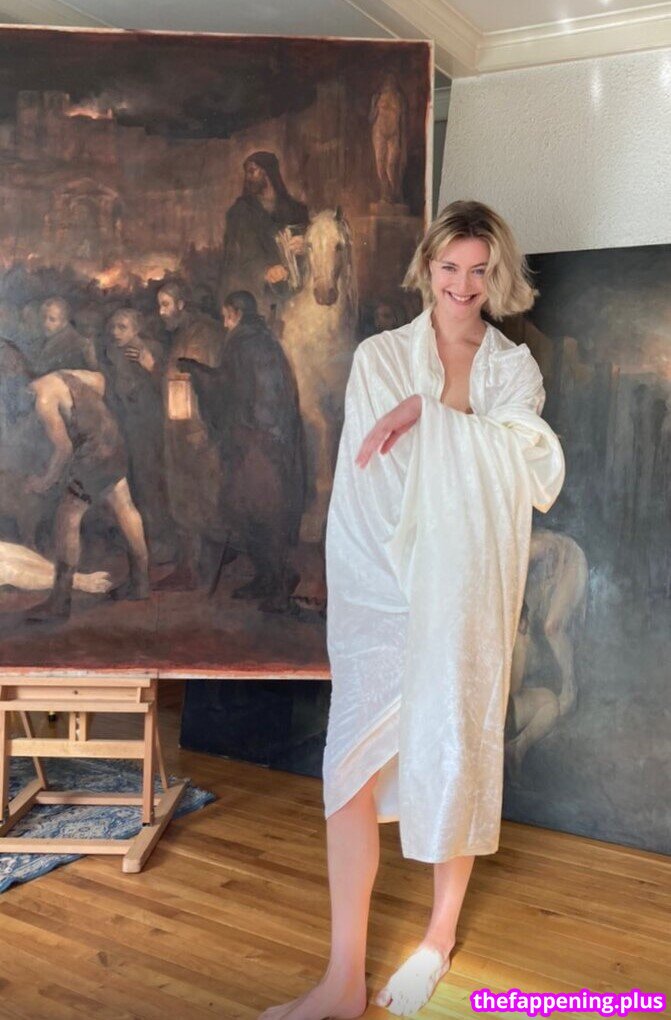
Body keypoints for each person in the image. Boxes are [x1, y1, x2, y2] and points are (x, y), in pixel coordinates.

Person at [259, 200, 566, 1020]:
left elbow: (530, 467)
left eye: (479, 271)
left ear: (497, 275)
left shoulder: (511, 370)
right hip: (383, 593)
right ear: (426, 268)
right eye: (449, 267)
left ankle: (436, 939)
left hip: (464, 596)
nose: (462, 285)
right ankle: (341, 978)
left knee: (453, 751)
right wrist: (437, 426)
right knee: (347, 773)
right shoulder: (380, 357)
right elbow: (367, 487)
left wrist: (431, 418)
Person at [179, 290, 306, 613]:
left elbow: (226, 388)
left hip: (257, 441)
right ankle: (266, 578)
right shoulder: (264, 340)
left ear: (234, 313)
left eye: (226, 316)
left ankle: (279, 583)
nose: (224, 323)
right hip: (270, 439)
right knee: (248, 509)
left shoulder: (242, 343)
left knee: (261, 511)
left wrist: (195, 371)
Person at [21, 366, 150, 620]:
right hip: (113, 443)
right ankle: (140, 583)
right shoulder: (70, 375)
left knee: (67, 517)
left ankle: (60, 602)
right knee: (124, 505)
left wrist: (44, 481)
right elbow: (101, 381)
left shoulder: (42, 399)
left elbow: (64, 449)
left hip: (93, 455)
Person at [156, 280, 224, 589]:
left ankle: (197, 570)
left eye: (165, 305)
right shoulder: (184, 333)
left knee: (199, 497)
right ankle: (189, 567)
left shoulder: (201, 334)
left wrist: (197, 426)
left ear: (182, 304)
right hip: (180, 428)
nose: (161, 312)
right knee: (183, 495)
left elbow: (196, 382)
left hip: (195, 430)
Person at [104, 308, 174, 563]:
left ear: (137, 328)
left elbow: (168, 386)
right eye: (113, 327)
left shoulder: (152, 349)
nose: (115, 332)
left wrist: (151, 368)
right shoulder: (112, 352)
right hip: (126, 426)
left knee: (150, 482)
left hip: (149, 427)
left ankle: (161, 541)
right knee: (130, 482)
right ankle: (136, 538)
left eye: (122, 327)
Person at [220, 150, 309, 319]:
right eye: (247, 173)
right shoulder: (240, 212)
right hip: (257, 294)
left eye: (252, 171)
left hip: (295, 296)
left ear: (267, 172)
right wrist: (265, 271)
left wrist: (305, 244)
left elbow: (311, 245)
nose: (247, 177)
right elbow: (238, 256)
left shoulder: (296, 210)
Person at [33, 297, 98, 375]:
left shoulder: (77, 345)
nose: (45, 324)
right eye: (43, 317)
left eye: (52, 319)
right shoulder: (42, 340)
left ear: (64, 322)